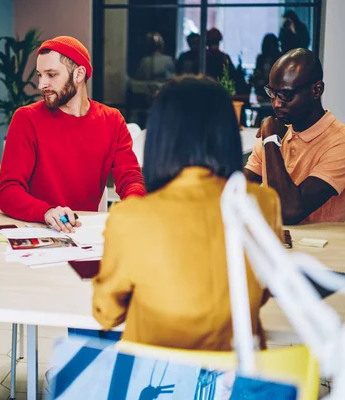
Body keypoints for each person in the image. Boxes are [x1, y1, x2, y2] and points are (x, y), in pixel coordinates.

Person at [92, 75, 283, 350]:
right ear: (226, 134)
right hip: (235, 381)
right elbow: (261, 292)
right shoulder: (264, 204)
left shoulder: (130, 216)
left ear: (159, 138)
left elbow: (106, 313)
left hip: (152, 381)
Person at [0, 35, 145, 233]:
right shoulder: (26, 119)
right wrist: (46, 212)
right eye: (40, 75)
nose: (41, 85)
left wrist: (134, 207)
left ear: (79, 74)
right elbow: (7, 191)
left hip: (84, 235)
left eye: (51, 74)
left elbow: (130, 178)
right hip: (38, 232)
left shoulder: (112, 120)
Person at [244, 49, 345, 224]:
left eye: (286, 95)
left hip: (324, 250)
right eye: (273, 93)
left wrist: (270, 142)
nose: (276, 103)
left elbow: (289, 211)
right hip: (280, 247)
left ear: (316, 90)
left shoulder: (339, 142)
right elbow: (237, 187)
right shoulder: (277, 132)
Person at [251, 34, 282, 101]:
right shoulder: (260, 58)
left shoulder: (280, 59)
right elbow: (257, 75)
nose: (269, 47)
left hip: (276, 91)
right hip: (261, 91)